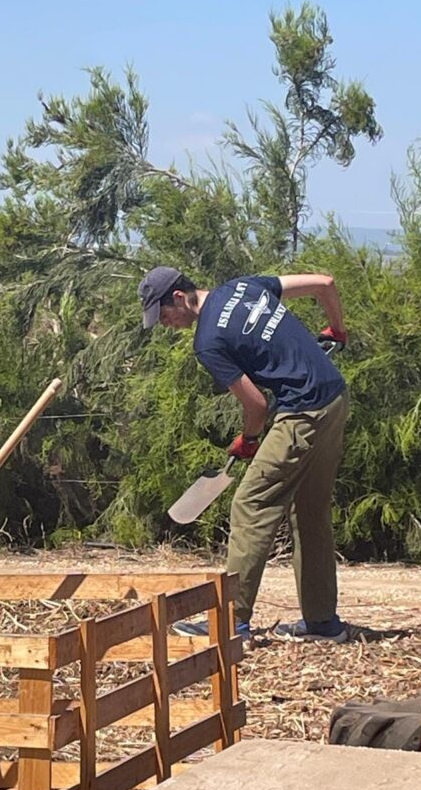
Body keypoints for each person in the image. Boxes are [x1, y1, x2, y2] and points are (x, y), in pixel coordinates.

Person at [139, 266, 349, 643]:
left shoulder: (207, 342)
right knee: (311, 511)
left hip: (302, 413)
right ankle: (322, 623)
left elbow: (256, 405)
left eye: (164, 315)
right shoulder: (241, 287)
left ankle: (231, 620)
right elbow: (324, 284)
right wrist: (337, 328)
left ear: (178, 297)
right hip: (334, 398)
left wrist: (249, 440)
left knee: (251, 504)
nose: (165, 324)